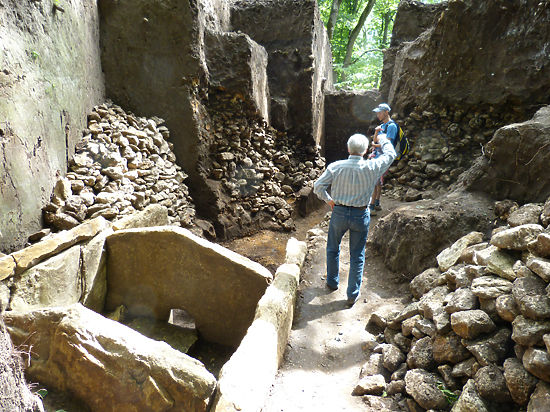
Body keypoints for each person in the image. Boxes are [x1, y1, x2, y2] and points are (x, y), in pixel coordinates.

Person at [313, 133, 396, 307]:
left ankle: (332, 282)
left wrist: (329, 200)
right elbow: (390, 155)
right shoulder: (372, 167)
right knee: (357, 255)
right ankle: (352, 294)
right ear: (366, 150)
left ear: (348, 149)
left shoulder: (336, 167)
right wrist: (383, 139)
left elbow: (317, 186)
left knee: (332, 249)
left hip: (339, 213)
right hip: (360, 215)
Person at [369, 103, 398, 215]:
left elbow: (388, 145)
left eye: (380, 112)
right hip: (378, 155)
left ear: (386, 112)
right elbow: (376, 140)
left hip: (382, 157)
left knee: (374, 180)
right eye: (377, 113)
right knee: (378, 181)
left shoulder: (391, 126)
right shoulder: (382, 125)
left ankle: (371, 206)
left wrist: (374, 145)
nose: (378, 115)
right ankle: (377, 203)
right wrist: (376, 132)